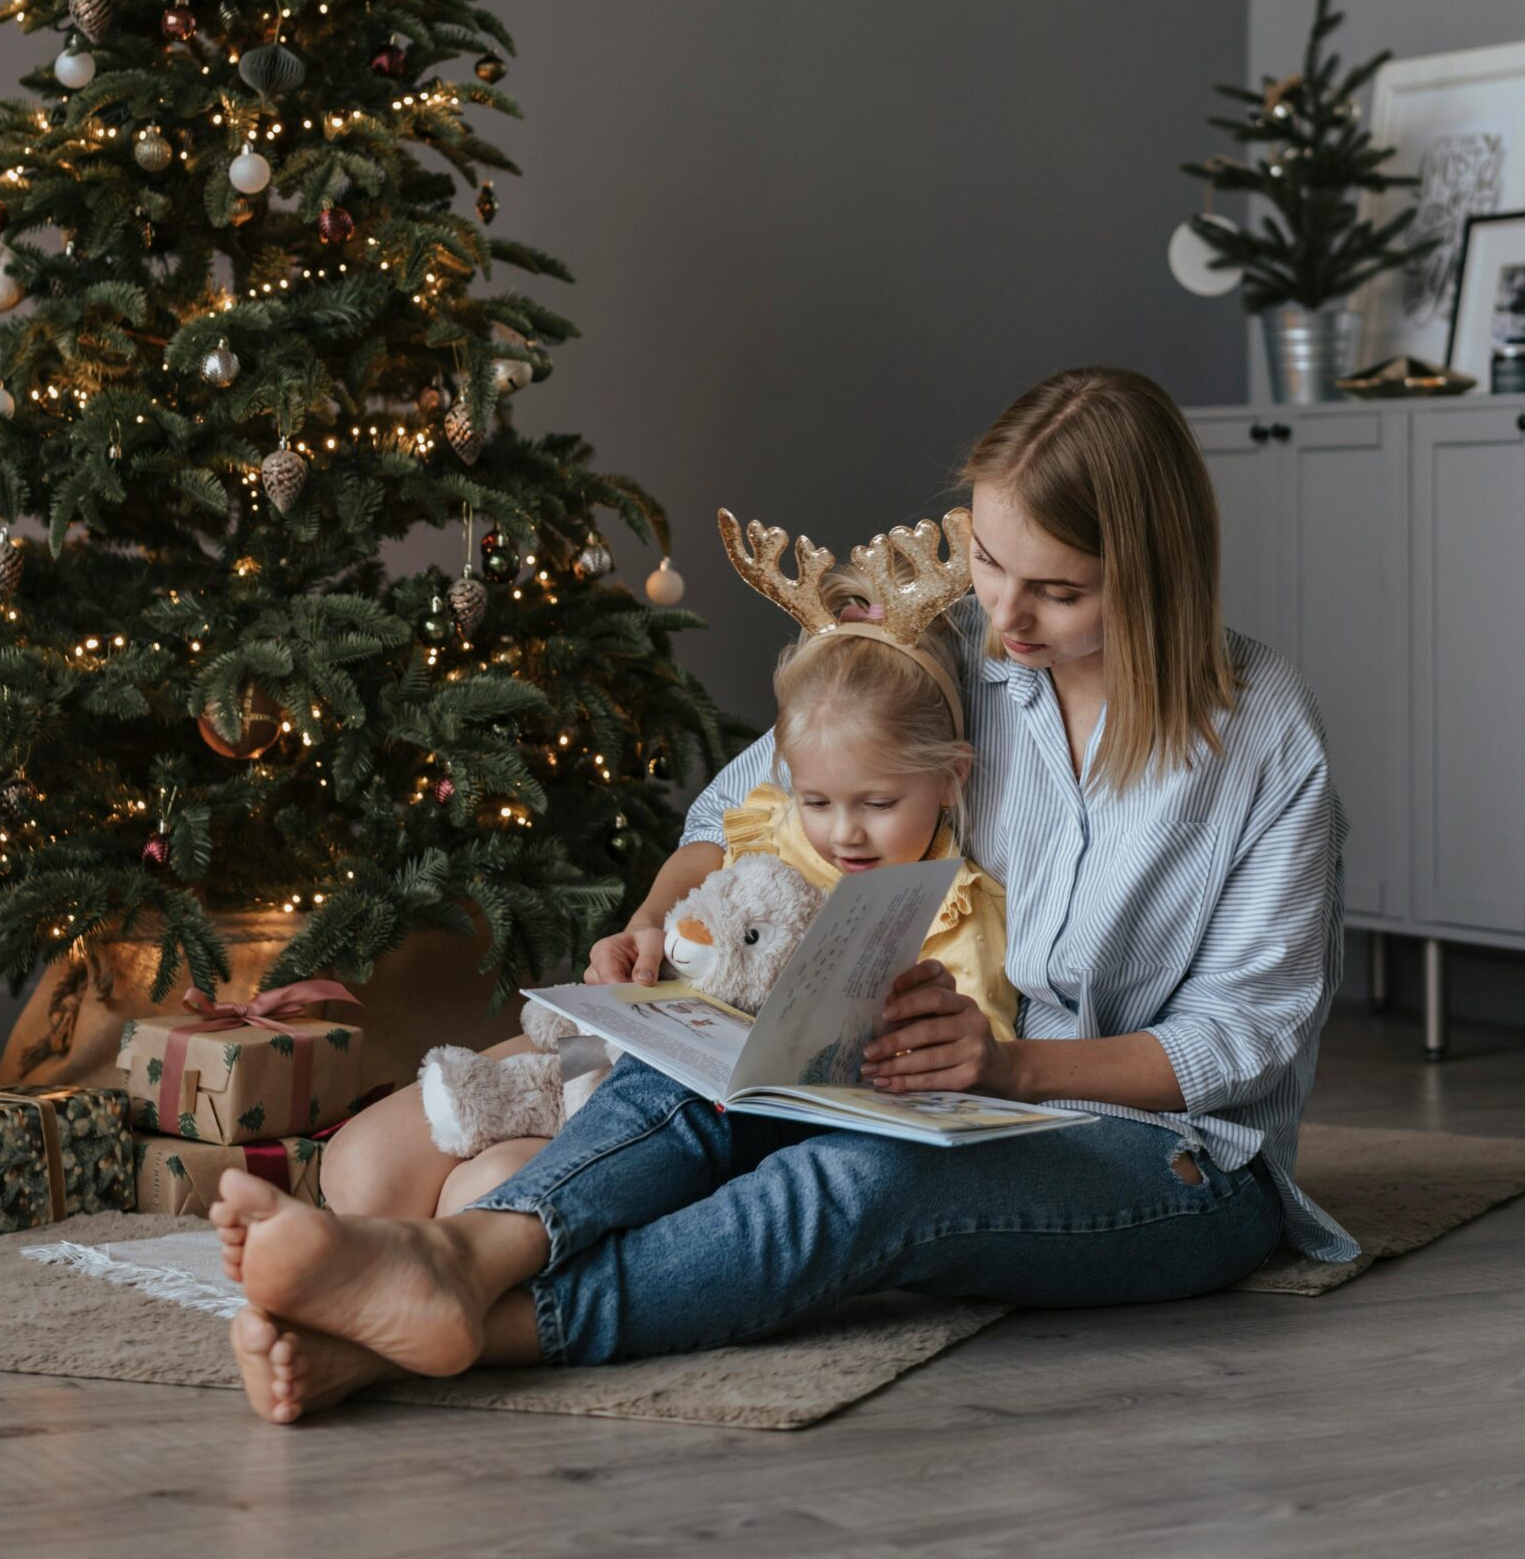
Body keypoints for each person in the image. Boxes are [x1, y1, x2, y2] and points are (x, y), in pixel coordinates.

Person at [217, 366, 1355, 1423]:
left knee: (865, 1182)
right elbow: (735, 812)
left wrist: (1006, 1067)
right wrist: (657, 919)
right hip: (932, 1092)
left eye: (1054, 591)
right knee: (703, 1068)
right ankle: (460, 1263)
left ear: (1156, 577)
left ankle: (454, 1325)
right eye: (991, 562)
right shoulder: (949, 650)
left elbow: (1235, 1040)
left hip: (1174, 1160)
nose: (1004, 619)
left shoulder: (1261, 735)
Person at [314, 534, 1011, 1221]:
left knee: (483, 1195)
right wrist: (645, 932)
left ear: (950, 780)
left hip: (720, 1113)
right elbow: (703, 858)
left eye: (878, 805)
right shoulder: (770, 818)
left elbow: (963, 1065)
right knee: (359, 1172)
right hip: (641, 1041)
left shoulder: (952, 908)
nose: (842, 833)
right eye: (818, 800)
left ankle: (470, 1269)